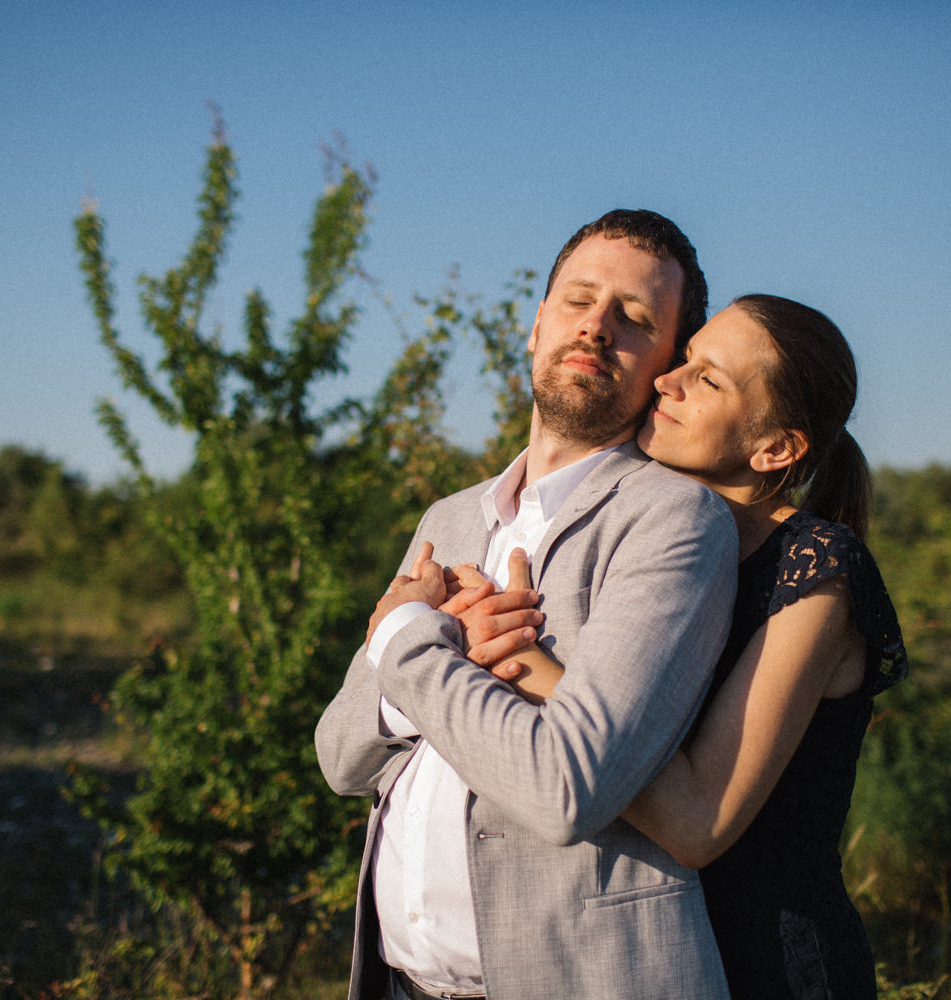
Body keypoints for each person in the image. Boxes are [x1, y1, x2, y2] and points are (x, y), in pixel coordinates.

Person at [315, 210, 740, 1000]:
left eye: (635, 318)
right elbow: (339, 754)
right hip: (402, 986)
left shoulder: (674, 520)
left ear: (668, 364)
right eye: (579, 300)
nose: (597, 327)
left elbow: (566, 790)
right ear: (538, 322)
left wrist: (409, 637)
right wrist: (435, 656)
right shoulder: (448, 518)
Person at [458, 294, 908, 999]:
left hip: (772, 966)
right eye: (685, 360)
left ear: (776, 449)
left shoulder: (818, 572)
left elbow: (699, 823)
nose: (667, 381)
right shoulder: (653, 535)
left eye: (709, 379)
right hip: (648, 957)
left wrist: (529, 665)